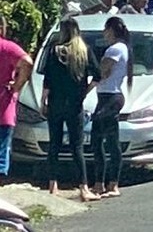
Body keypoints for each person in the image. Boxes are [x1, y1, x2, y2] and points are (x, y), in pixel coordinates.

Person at [41, 18, 100, 201]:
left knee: (54, 145)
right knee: (77, 147)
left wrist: (43, 101)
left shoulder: (54, 51)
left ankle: (53, 186)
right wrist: (84, 91)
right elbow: (97, 76)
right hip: (75, 104)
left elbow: (48, 79)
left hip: (56, 102)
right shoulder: (84, 51)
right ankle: (83, 187)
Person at [90, 16, 132, 198]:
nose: (104, 34)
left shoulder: (114, 49)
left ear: (112, 30)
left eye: (106, 30)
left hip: (110, 96)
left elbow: (102, 73)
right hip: (107, 96)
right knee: (101, 141)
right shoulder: (123, 48)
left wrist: (86, 88)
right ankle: (101, 183)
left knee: (104, 142)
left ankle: (111, 184)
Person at [0, 16, 33, 187]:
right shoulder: (6, 47)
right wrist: (18, 85)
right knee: (2, 146)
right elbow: (27, 62)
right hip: (3, 102)